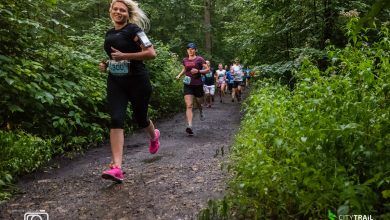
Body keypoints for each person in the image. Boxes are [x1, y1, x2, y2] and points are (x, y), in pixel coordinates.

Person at [98, 0, 160, 183]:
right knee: (116, 118)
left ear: (128, 13)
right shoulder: (109, 33)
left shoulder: (135, 31)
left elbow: (151, 53)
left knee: (141, 118)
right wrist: (106, 63)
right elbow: (114, 56)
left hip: (137, 81)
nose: (118, 12)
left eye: (122, 10)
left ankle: (154, 135)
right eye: (115, 9)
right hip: (116, 81)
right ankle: (117, 167)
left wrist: (126, 56)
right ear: (110, 11)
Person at [176, 43, 209, 136]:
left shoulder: (199, 59)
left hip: (198, 84)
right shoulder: (185, 60)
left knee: (199, 101)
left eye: (192, 49)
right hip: (188, 84)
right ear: (187, 50)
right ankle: (190, 126)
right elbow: (184, 69)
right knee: (189, 105)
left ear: (195, 50)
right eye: (188, 49)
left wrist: (198, 71)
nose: (190, 50)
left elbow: (208, 70)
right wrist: (179, 75)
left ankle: (201, 110)